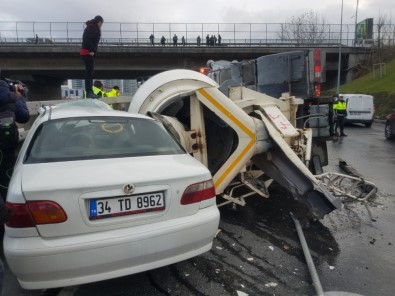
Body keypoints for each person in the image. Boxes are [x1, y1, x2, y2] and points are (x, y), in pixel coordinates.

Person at [0, 80, 30, 202]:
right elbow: (24, 117)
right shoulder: (12, 97)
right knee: (6, 174)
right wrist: (20, 97)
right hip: (6, 144)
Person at [80, 15, 104, 98]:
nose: (101, 26)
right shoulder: (93, 27)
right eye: (101, 23)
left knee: (90, 72)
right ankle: (89, 92)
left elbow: (88, 40)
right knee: (89, 73)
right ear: (99, 22)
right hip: (87, 52)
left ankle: (90, 91)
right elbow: (88, 39)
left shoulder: (91, 26)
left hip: (86, 52)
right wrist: (91, 50)